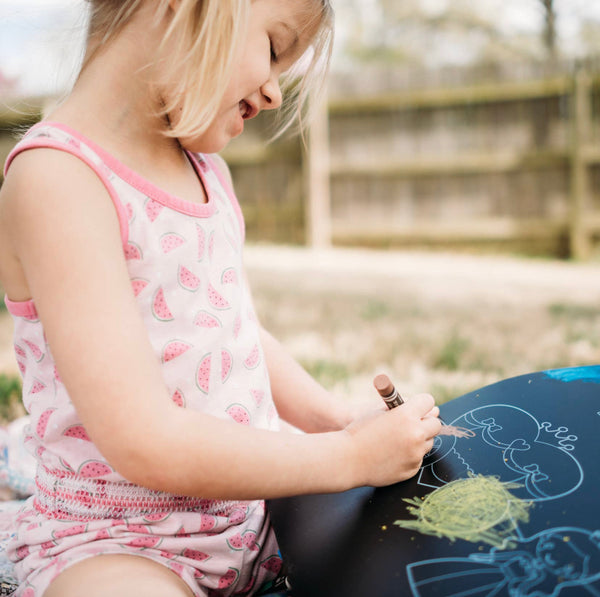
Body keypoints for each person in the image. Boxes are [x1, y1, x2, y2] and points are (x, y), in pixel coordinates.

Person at [0, 0, 442, 595]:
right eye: (273, 49)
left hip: (257, 521)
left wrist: (334, 419)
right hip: (117, 540)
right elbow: (142, 438)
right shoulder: (58, 180)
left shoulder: (207, 170)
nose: (274, 93)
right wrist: (344, 458)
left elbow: (231, 330)